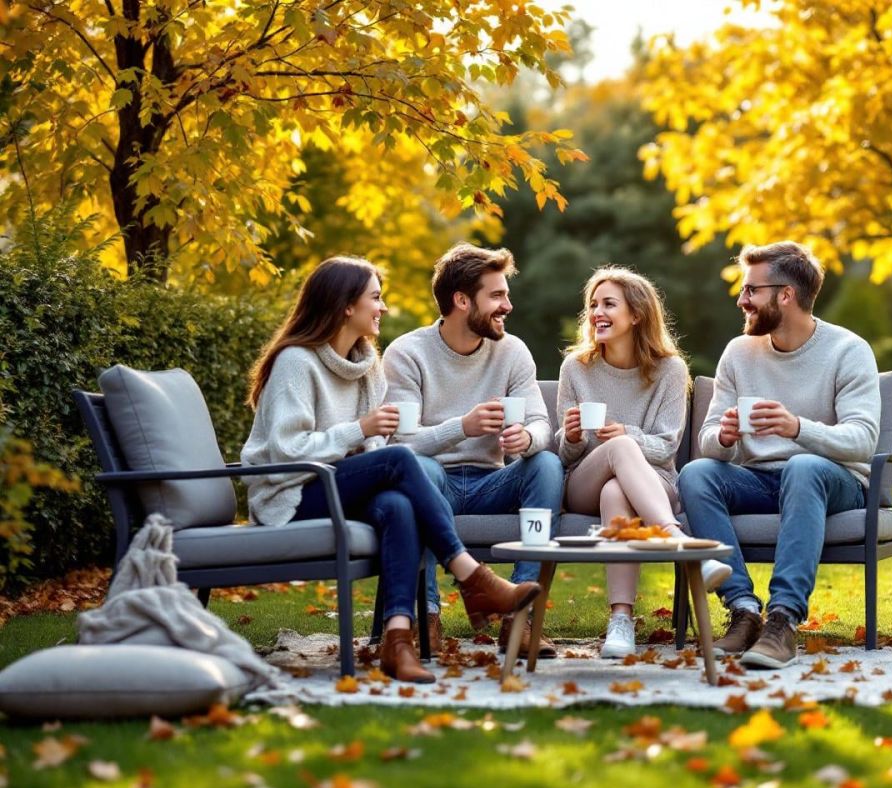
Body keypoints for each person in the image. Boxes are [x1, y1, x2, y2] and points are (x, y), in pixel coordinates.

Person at [241, 256, 541, 683]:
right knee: (401, 459)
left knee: (398, 505)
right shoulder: (296, 362)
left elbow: (375, 448)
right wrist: (358, 431)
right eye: (375, 298)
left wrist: (368, 439)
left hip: (338, 489)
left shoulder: (366, 365)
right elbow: (287, 452)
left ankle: (398, 641)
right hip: (290, 495)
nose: (382, 308)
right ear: (347, 305)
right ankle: (471, 575)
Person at [677, 242, 880, 669]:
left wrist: (797, 429)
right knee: (697, 474)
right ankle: (744, 610)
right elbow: (708, 439)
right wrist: (726, 438)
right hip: (760, 478)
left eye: (751, 290)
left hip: (832, 480)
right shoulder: (739, 352)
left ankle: (783, 619)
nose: (742, 299)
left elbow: (863, 440)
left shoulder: (848, 350)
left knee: (803, 466)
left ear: (784, 295)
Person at [383, 243, 564, 659]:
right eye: (496, 296)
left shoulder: (512, 351)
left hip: (492, 481)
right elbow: (400, 447)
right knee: (420, 468)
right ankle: (424, 617)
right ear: (462, 301)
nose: (508, 306)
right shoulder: (408, 354)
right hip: (433, 482)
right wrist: (460, 427)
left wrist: (528, 439)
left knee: (547, 465)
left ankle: (520, 616)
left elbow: (541, 423)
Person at [557, 266, 731, 658]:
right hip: (583, 480)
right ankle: (676, 539)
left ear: (636, 314)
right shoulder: (576, 368)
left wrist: (625, 433)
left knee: (617, 488)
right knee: (617, 454)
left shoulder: (670, 370)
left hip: (654, 483)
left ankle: (620, 620)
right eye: (593, 305)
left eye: (608, 304)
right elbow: (565, 455)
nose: (597, 312)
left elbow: (667, 448)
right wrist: (569, 437)